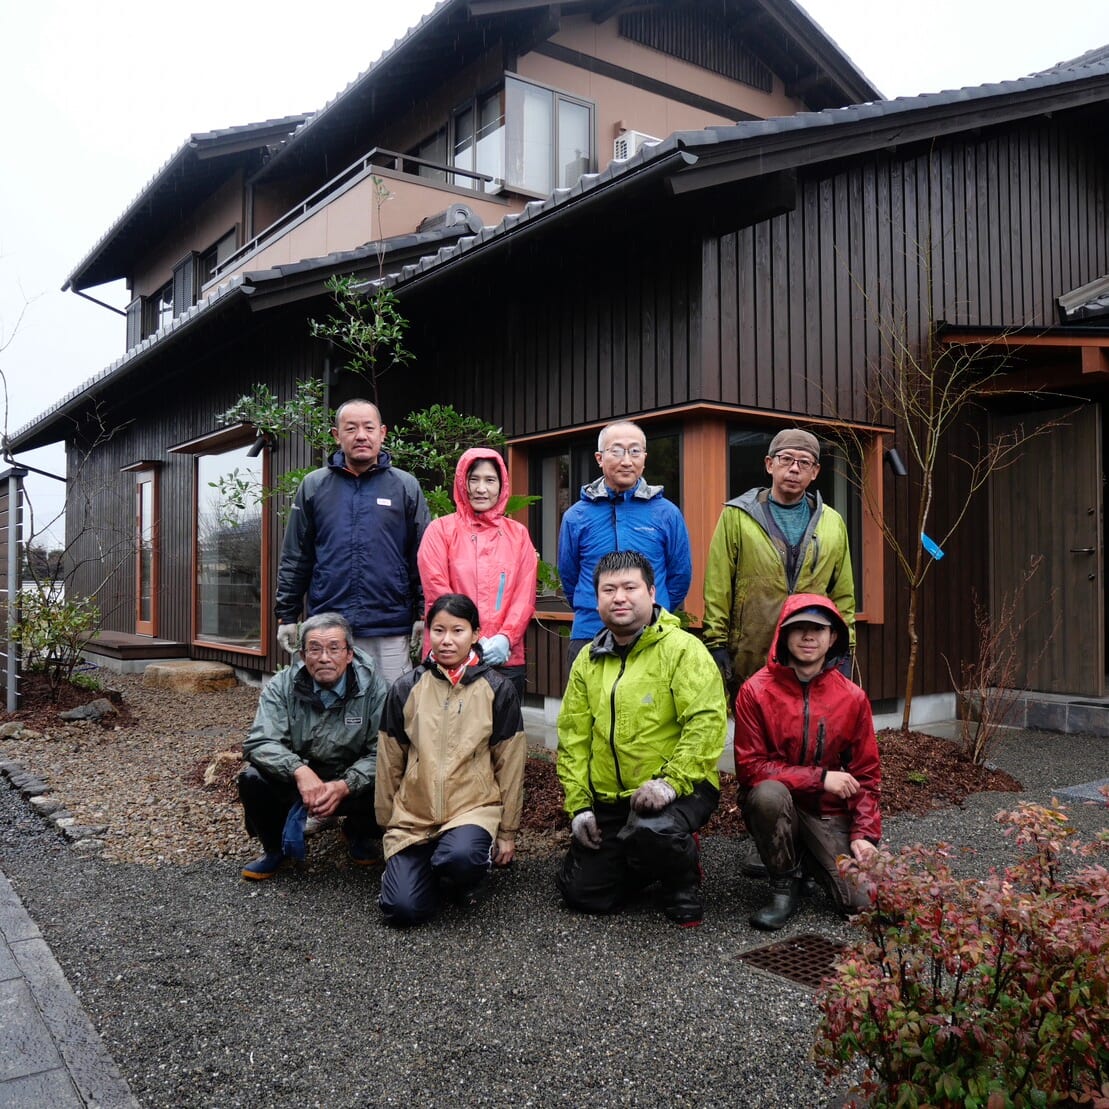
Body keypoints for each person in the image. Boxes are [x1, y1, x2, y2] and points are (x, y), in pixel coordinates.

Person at [556, 550, 726, 927]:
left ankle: (681, 878)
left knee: (654, 829)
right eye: (608, 589)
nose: (619, 597)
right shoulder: (588, 659)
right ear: (596, 598)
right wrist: (580, 806)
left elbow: (706, 721)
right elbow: (574, 737)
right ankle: (641, 857)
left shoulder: (682, 649)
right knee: (582, 894)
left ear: (651, 592)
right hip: (613, 797)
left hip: (678, 789)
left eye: (630, 587)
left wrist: (670, 782)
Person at [375, 592, 526, 926]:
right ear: (429, 634)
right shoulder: (405, 688)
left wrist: (508, 832)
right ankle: (425, 871)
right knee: (402, 911)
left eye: (457, 631)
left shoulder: (497, 688)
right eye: (439, 631)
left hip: (472, 808)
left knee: (461, 859)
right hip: (414, 815)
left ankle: (459, 871)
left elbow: (510, 764)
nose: (447, 640)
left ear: (474, 634)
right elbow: (389, 761)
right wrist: (387, 823)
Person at [733, 593, 881, 930]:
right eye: (798, 628)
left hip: (828, 812)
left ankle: (813, 858)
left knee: (865, 902)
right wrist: (821, 777)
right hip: (777, 804)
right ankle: (785, 884)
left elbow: (867, 775)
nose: (808, 636)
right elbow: (751, 768)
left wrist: (865, 834)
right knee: (768, 795)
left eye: (818, 628)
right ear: (783, 636)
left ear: (833, 638)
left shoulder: (852, 698)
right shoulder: (755, 691)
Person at [275, 398, 430, 686]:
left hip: (390, 624)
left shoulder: (405, 486)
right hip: (328, 625)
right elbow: (297, 556)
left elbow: (422, 555)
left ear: (382, 433)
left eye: (369, 427)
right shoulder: (314, 485)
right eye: (351, 428)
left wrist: (424, 612)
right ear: (337, 435)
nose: (361, 435)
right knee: (328, 707)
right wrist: (287, 615)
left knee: (391, 710)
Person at [702, 427, 856, 691]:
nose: (794, 469)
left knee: (806, 726)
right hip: (752, 650)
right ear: (770, 464)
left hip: (811, 652)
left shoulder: (832, 522)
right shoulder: (737, 516)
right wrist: (716, 642)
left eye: (804, 462)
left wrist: (846, 645)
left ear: (815, 472)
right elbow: (718, 584)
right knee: (754, 726)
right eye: (786, 459)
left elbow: (842, 592)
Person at [237, 612, 388, 880]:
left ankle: (359, 832)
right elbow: (260, 741)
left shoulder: (375, 689)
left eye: (334, 648)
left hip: (350, 778)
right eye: (314, 649)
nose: (324, 658)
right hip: (299, 778)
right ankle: (274, 849)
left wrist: (346, 785)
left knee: (391, 775)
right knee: (252, 777)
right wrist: (299, 771)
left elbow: (383, 751)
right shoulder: (281, 686)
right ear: (303, 655)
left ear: (350, 654)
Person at [557, 421, 691, 663]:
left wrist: (649, 607)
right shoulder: (576, 516)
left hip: (653, 632)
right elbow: (569, 576)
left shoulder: (666, 513)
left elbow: (679, 576)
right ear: (599, 458)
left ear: (644, 457)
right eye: (616, 451)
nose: (627, 461)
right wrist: (593, 602)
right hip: (590, 630)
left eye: (635, 451)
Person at [417, 447, 537, 700]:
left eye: (490, 480)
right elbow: (437, 591)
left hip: (504, 656)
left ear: (501, 485)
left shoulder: (518, 535)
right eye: (474, 479)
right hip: (448, 652)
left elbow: (524, 595)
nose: (482, 488)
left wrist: (506, 637)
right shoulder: (440, 530)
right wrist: (468, 640)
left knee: (502, 733)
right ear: (463, 482)